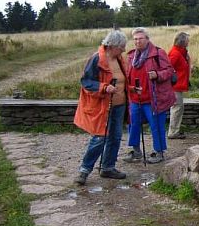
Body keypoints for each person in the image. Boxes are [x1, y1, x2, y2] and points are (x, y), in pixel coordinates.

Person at [73, 30, 129, 185]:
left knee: (115, 137)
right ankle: (84, 170)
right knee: (99, 138)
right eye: (121, 47)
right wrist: (104, 87)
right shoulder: (96, 59)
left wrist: (131, 89)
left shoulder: (119, 59)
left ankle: (107, 167)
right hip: (102, 106)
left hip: (119, 105)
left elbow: (123, 80)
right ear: (112, 46)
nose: (124, 50)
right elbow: (86, 82)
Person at [123, 27, 176, 164]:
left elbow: (170, 71)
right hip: (135, 98)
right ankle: (135, 151)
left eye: (140, 38)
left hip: (154, 99)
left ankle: (159, 152)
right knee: (133, 125)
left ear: (147, 39)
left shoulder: (158, 53)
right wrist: (130, 88)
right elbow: (126, 77)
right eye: (135, 39)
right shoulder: (130, 56)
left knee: (156, 125)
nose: (137, 41)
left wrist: (157, 75)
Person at [167, 31, 191, 139]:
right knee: (177, 107)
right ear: (183, 41)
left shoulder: (179, 52)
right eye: (187, 40)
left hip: (177, 84)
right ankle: (173, 132)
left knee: (178, 107)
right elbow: (168, 68)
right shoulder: (175, 54)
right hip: (175, 85)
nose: (188, 42)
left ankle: (174, 130)